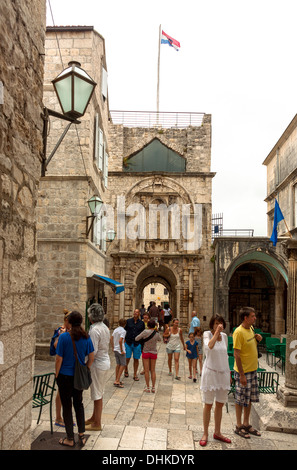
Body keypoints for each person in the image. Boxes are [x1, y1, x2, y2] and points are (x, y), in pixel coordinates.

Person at [55, 311, 94, 447]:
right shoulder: (86, 337)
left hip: (65, 376)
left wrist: (56, 374)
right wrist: (86, 368)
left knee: (67, 406)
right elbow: (91, 356)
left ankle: (70, 438)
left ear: (69, 322)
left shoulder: (64, 337)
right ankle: (81, 435)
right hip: (78, 377)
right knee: (79, 404)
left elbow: (59, 358)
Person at [199, 314, 231, 447]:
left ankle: (217, 431)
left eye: (221, 323)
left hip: (222, 372)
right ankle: (205, 433)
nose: (219, 325)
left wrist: (228, 372)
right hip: (210, 372)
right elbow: (209, 347)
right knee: (208, 404)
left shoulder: (224, 337)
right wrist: (216, 332)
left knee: (220, 404)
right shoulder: (207, 334)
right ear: (212, 324)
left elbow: (225, 354)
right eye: (216, 323)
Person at [233, 307, 262, 439]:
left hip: (252, 369)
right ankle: (239, 425)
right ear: (245, 318)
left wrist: (257, 339)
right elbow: (237, 355)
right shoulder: (238, 332)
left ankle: (246, 423)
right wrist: (242, 375)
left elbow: (250, 346)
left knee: (249, 398)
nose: (255, 318)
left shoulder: (250, 329)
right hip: (243, 372)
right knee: (240, 399)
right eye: (252, 316)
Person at [85, 303, 111, 431]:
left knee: (97, 393)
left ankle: (97, 423)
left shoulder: (95, 330)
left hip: (98, 364)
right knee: (98, 391)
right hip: (104, 361)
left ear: (91, 316)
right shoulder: (104, 327)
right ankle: (94, 417)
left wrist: (86, 366)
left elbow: (92, 351)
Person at [50, 308, 71, 427]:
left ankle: (65, 416)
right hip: (62, 365)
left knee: (67, 393)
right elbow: (56, 346)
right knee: (60, 392)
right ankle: (58, 417)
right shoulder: (60, 331)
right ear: (67, 320)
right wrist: (62, 335)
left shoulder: (71, 330)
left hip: (68, 363)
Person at [135, 319, 161, 393]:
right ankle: (153, 387)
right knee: (153, 370)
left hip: (146, 352)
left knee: (146, 371)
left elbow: (136, 338)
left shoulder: (145, 332)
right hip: (153, 352)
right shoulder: (156, 333)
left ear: (148, 325)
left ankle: (148, 387)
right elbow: (160, 339)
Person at [124, 309, 145, 380]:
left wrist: (142, 344)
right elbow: (124, 330)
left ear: (139, 314)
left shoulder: (141, 323)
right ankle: (126, 369)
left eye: (137, 312)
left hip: (137, 343)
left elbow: (143, 334)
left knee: (136, 359)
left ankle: (135, 374)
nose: (135, 313)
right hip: (128, 342)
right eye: (134, 312)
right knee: (127, 358)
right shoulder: (128, 321)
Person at [111, 318, 127, 388]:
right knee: (123, 364)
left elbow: (111, 338)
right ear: (125, 324)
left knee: (118, 364)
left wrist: (113, 347)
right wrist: (121, 350)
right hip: (120, 350)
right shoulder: (123, 331)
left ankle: (116, 379)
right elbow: (121, 340)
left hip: (115, 349)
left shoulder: (115, 330)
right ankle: (117, 380)